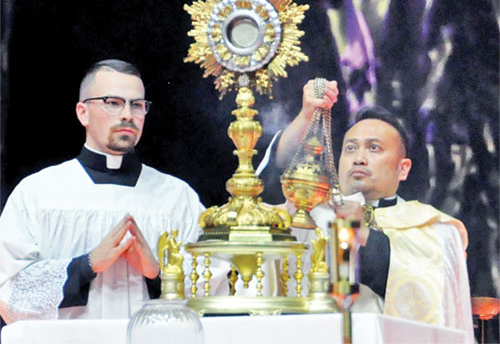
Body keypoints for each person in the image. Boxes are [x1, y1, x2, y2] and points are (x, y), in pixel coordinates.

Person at [0, 59, 225, 323]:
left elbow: (213, 288)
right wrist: (86, 266)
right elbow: (9, 292)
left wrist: (157, 273)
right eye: (113, 102)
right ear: (82, 113)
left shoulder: (177, 198)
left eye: (137, 104)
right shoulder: (38, 193)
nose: (128, 114)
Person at [258, 79, 473, 339]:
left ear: (403, 168)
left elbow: (432, 299)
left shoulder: (436, 229)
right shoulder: (311, 210)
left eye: (374, 148)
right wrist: (306, 116)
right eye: (350, 148)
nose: (359, 157)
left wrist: (365, 236)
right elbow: (271, 183)